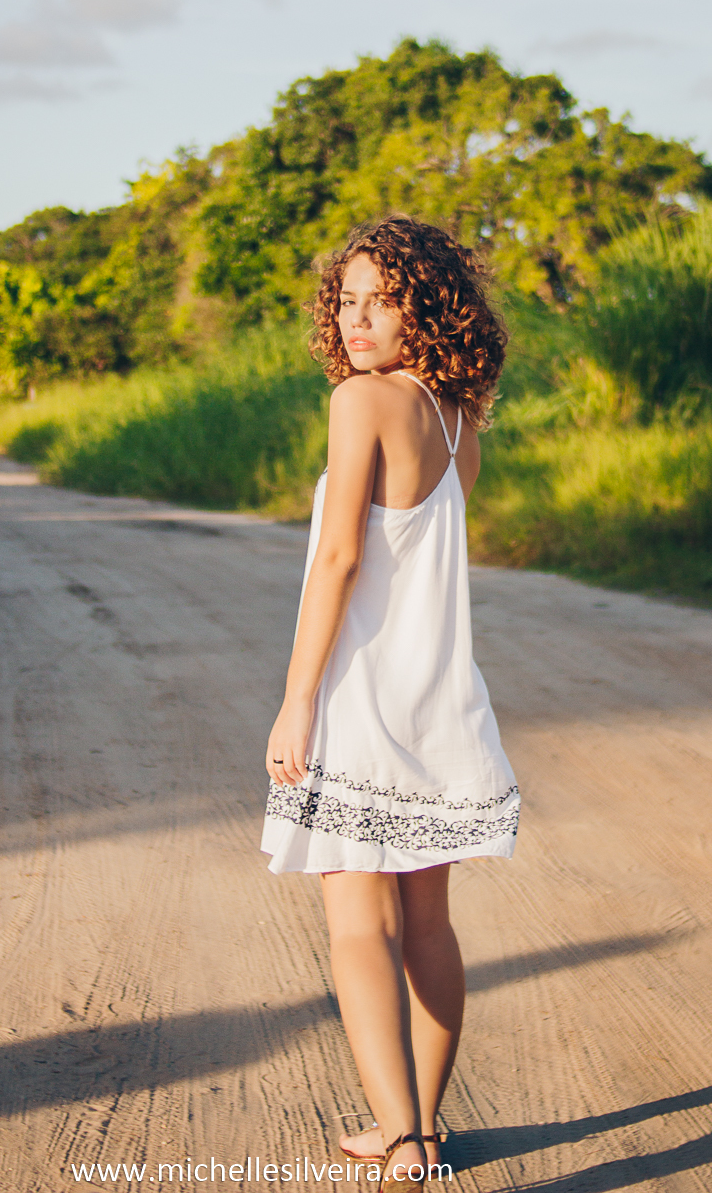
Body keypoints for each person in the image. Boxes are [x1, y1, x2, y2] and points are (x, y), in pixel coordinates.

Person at [260, 214, 520, 1189]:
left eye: (383, 299)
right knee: (427, 926)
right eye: (348, 299)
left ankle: (402, 1140)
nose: (357, 318)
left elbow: (339, 558)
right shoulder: (459, 419)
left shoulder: (361, 401)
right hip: (441, 702)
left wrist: (296, 704)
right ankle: (423, 1128)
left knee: (357, 926)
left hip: (364, 698)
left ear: (428, 306)